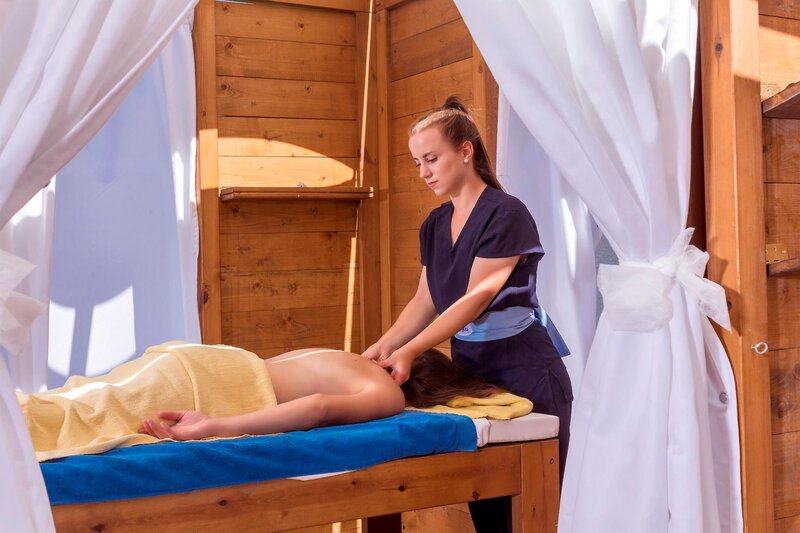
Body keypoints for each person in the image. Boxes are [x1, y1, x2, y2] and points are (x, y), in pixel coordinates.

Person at [362, 95, 573, 533]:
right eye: (417, 163)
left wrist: (410, 351)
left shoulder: (507, 214)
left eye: (432, 159)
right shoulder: (434, 224)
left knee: (536, 508)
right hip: (470, 372)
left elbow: (475, 297)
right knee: (488, 504)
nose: (424, 172)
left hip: (525, 367)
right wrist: (381, 349)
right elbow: (425, 300)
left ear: (465, 150)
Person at [138, 347, 506, 441]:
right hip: (221, 385)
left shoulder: (353, 359)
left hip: (207, 360)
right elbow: (318, 407)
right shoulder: (390, 396)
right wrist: (215, 426)